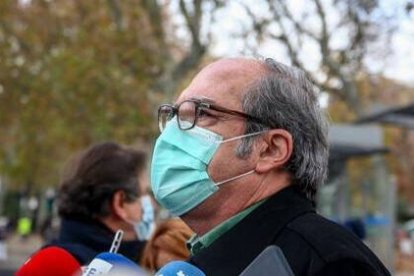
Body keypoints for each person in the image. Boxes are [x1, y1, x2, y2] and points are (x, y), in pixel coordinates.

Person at [150, 57, 391, 275]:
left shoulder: (329, 265)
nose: (173, 133)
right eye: (175, 115)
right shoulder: (206, 257)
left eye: (201, 114)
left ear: (270, 149)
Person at [46, 142, 154, 265]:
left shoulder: (46, 262)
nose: (151, 203)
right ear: (120, 203)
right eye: (144, 194)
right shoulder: (121, 269)